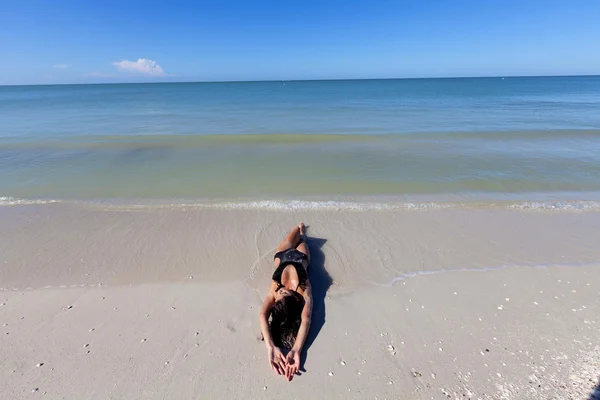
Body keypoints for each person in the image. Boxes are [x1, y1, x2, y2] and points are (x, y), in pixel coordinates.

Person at [259, 222, 313, 381]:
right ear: (295, 298)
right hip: (301, 257)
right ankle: (303, 233)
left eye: (280, 293)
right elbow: (306, 319)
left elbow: (263, 315)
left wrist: (270, 347)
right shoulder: (303, 290)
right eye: (283, 292)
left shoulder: (274, 290)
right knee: (302, 238)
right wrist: (296, 350)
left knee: (294, 232)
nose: (279, 290)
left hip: (281, 255)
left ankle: (300, 229)